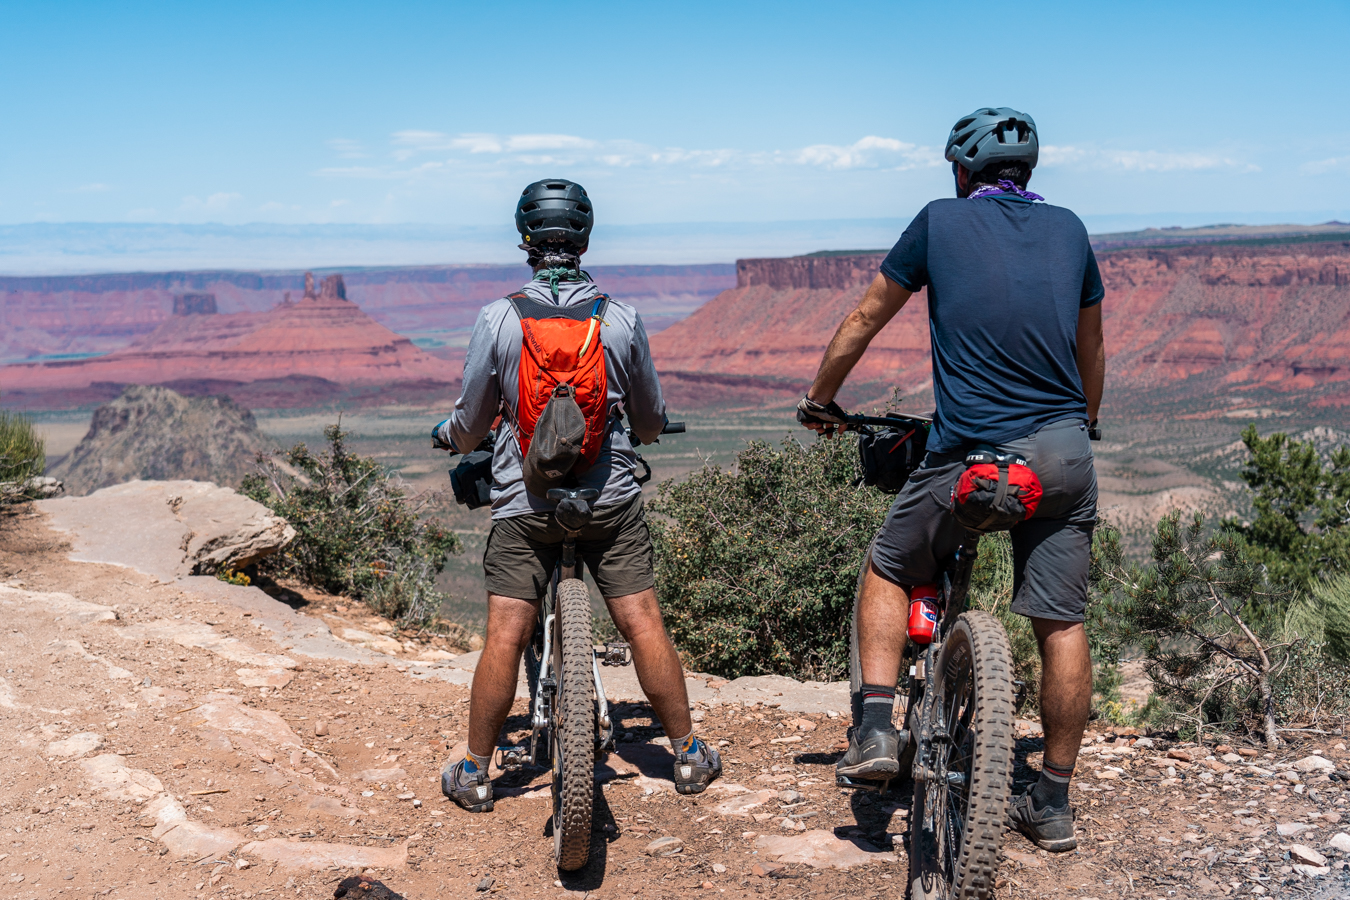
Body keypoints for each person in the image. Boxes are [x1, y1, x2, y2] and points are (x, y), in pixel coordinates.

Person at [797, 108, 1105, 852]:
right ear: (1028, 174)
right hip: (1062, 457)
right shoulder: (1070, 230)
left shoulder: (938, 221)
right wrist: (1082, 424)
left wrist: (819, 400)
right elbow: (1091, 347)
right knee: (1062, 621)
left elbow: (864, 317)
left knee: (891, 563)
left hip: (969, 457)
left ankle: (875, 729)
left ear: (961, 171)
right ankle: (1053, 803)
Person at [433, 178, 721, 812]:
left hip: (525, 506)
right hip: (609, 503)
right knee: (642, 621)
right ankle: (689, 755)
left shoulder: (499, 318)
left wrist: (452, 438)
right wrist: (640, 428)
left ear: (526, 240)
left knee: (505, 633)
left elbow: (472, 423)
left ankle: (478, 771)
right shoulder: (620, 318)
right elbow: (647, 420)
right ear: (585, 238)